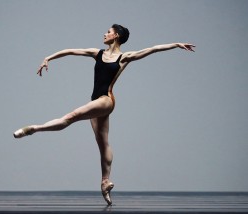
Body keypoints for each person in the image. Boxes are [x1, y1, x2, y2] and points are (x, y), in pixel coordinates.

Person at [13, 24, 195, 205]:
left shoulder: (124, 57)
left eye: (108, 31)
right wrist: (48, 58)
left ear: (116, 36)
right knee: (103, 143)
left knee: (71, 116)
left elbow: (152, 49)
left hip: (106, 100)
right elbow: (71, 51)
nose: (104, 33)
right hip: (95, 101)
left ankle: (33, 129)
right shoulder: (97, 53)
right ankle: (104, 182)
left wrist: (176, 44)